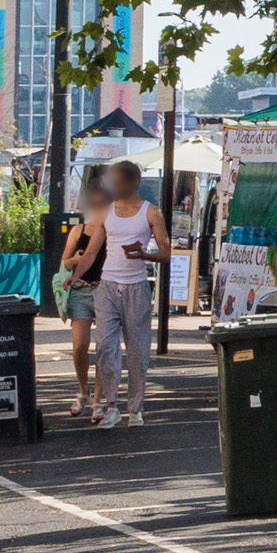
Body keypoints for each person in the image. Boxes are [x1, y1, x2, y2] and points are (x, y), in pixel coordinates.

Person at [79, 163, 170, 426]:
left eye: (118, 182)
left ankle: (136, 409)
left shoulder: (151, 212)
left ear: (133, 183)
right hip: (107, 285)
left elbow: (165, 253)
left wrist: (144, 255)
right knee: (106, 347)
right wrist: (77, 275)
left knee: (137, 351)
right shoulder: (107, 212)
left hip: (136, 287)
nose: (113, 187)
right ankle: (111, 406)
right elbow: (92, 251)